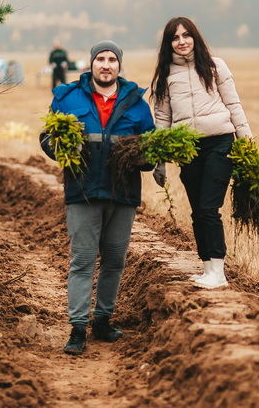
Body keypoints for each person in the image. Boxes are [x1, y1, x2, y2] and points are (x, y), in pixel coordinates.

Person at [40, 40, 156, 355]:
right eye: (100, 59)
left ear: (119, 65)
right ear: (91, 64)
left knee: (115, 260)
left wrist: (147, 159)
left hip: (123, 193)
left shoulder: (136, 103)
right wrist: (62, 149)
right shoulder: (67, 98)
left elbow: (149, 144)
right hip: (83, 192)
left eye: (112, 60)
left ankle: (103, 321)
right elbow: (48, 137)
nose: (106, 65)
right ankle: (78, 328)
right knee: (83, 260)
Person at [150, 17, 253, 290]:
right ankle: (208, 268)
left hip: (220, 143)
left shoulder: (215, 65)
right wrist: (159, 159)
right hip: (188, 148)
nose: (182, 41)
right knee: (197, 211)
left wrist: (247, 144)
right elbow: (162, 118)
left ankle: (219, 273)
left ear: (195, 37)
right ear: (168, 43)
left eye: (186, 35)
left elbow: (233, 104)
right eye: (175, 37)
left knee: (209, 207)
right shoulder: (165, 74)